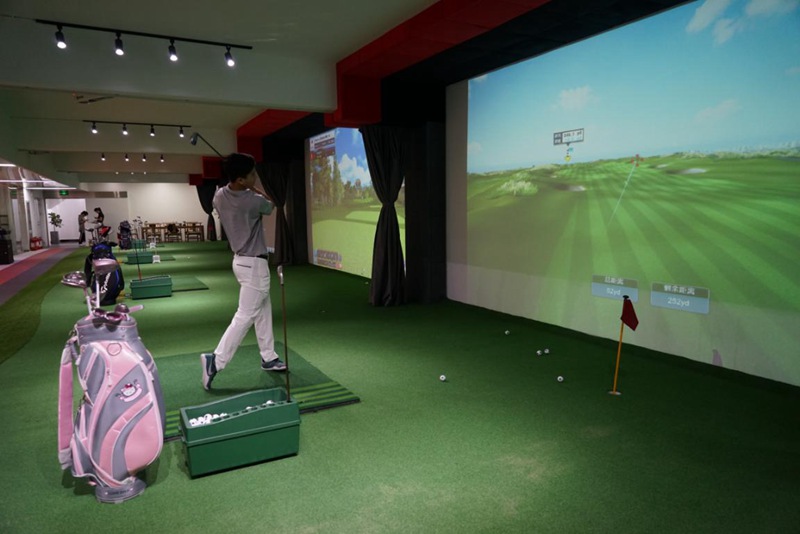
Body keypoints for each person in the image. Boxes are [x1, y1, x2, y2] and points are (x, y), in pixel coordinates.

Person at [201, 153, 286, 390]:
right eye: (252, 175)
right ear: (240, 179)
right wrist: (255, 189)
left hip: (240, 262)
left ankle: (268, 356)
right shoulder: (253, 200)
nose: (255, 177)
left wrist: (244, 184)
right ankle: (216, 361)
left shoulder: (219, 196)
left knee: (262, 309)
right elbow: (272, 204)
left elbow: (227, 193)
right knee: (246, 315)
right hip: (255, 265)